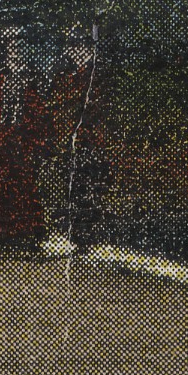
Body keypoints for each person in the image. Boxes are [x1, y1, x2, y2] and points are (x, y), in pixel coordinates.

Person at [0, 26, 55, 248]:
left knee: (22, 182)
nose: (12, 46)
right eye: (8, 42)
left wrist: (40, 141)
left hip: (22, 137)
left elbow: (39, 111)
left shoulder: (32, 76)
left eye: (17, 41)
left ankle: (24, 233)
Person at [48, 25, 114, 253]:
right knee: (73, 187)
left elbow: (97, 112)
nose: (68, 52)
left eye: (72, 46)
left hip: (91, 142)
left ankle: (87, 238)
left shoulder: (95, 76)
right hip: (73, 141)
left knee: (86, 188)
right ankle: (77, 235)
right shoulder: (69, 75)